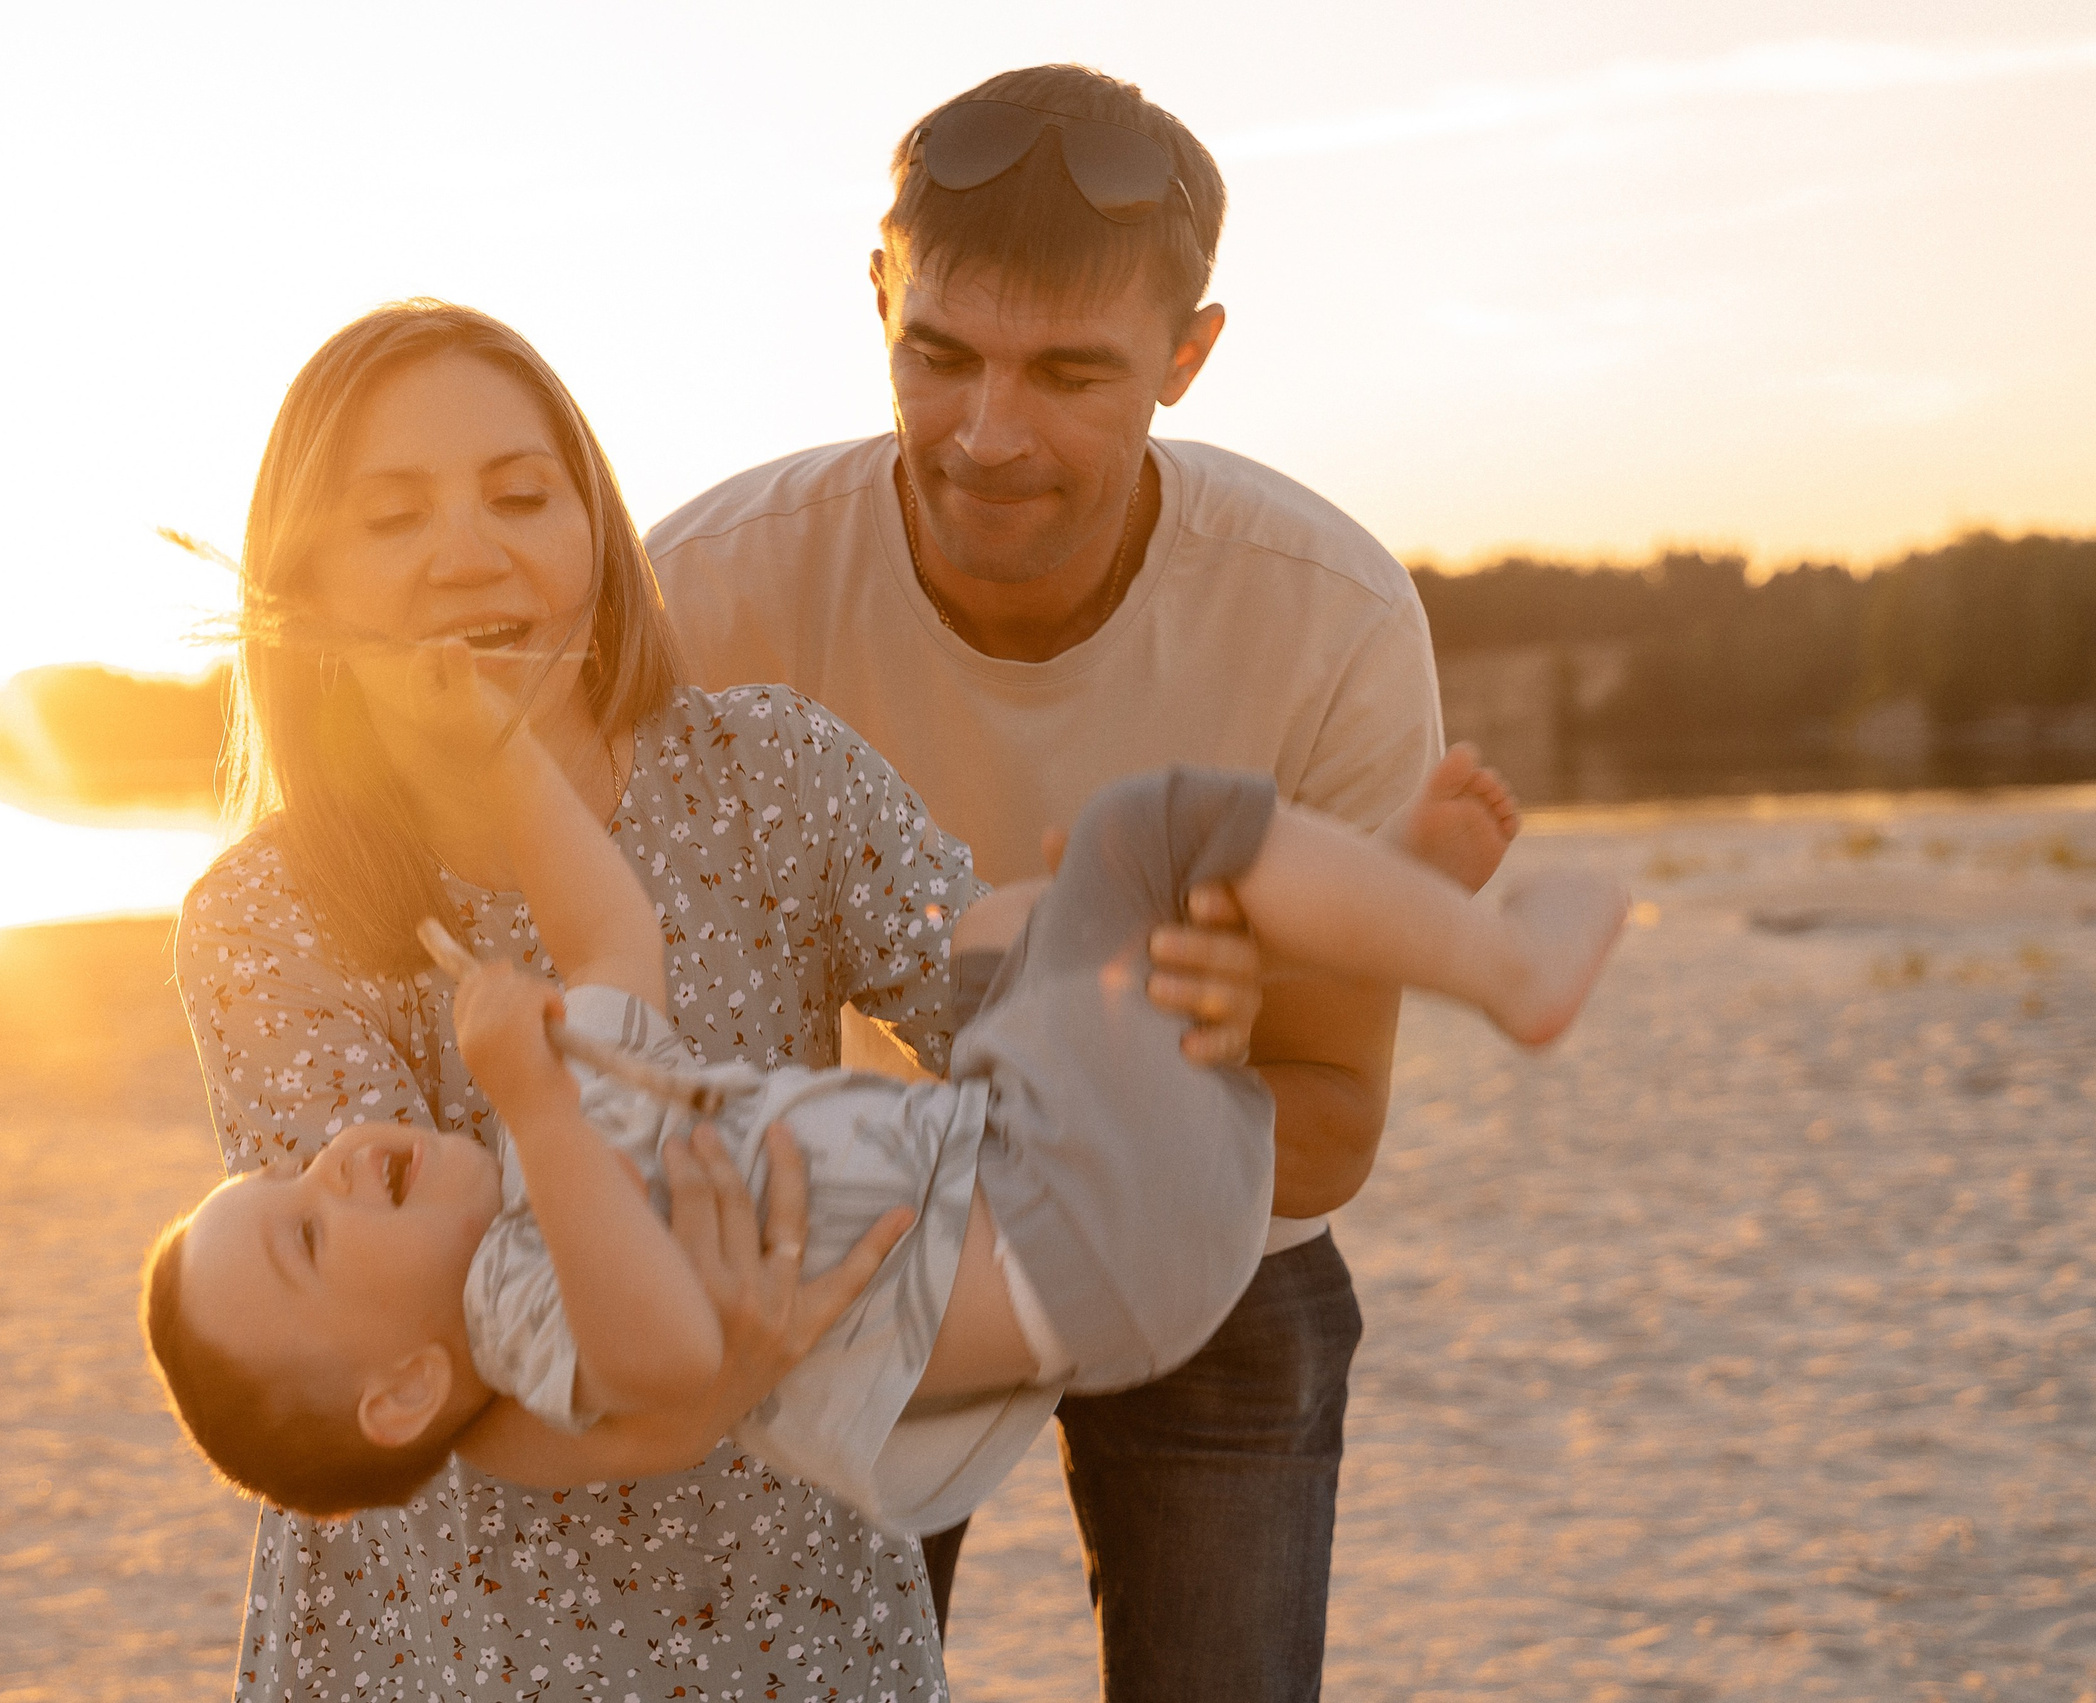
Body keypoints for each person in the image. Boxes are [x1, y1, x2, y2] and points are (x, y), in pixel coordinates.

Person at [169, 297, 1266, 1703]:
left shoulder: (769, 776)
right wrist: (685, 1396)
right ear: (309, 583)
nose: (467, 551)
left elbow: (1009, 1014)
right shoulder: (270, 914)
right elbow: (405, 1358)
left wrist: (1158, 991)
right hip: (450, 1635)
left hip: (793, 1613)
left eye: (521, 495)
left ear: (595, 529)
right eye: (392, 519)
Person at [151, 638, 1620, 1542]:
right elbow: (670, 1358)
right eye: (303, 1236)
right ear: (406, 1388)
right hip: (1072, 1228)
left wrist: (500, 753)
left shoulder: (558, 1167)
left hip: (1034, 1159)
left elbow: (610, 936)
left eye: (286, 1178)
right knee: (1148, 834)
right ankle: (1495, 963)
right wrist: (534, 1107)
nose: (323, 1167)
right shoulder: (522, 1306)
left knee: (1019, 927)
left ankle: (1370, 908)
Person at [647, 63, 1447, 1698]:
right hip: (847, 1238)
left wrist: (1091, 1133)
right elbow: (652, 1062)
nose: (989, 434)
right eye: (940, 354)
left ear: (1187, 357)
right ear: (879, 297)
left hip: (1216, 1246)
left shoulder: (1330, 624)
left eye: (1072, 374)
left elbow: (1330, 1122)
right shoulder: (707, 597)